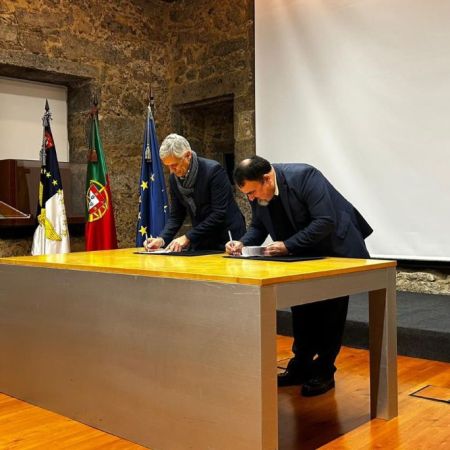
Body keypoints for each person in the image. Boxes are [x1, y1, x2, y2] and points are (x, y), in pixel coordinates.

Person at [226, 156, 372, 397]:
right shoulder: (258, 192)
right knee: (301, 307)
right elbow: (259, 226)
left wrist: (288, 245)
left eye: (252, 192)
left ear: (267, 179)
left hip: (336, 247)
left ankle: (324, 370)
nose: (251, 198)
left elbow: (325, 221)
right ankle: (301, 365)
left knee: (330, 310)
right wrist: (242, 243)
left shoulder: (305, 176)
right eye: (247, 195)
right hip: (303, 251)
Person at [145, 133, 245, 252]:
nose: (171, 171)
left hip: (228, 237)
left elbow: (219, 213)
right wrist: (162, 239)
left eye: (174, 165)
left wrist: (187, 237)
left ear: (188, 155)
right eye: (168, 166)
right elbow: (176, 215)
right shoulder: (174, 179)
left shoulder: (213, 171)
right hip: (202, 238)